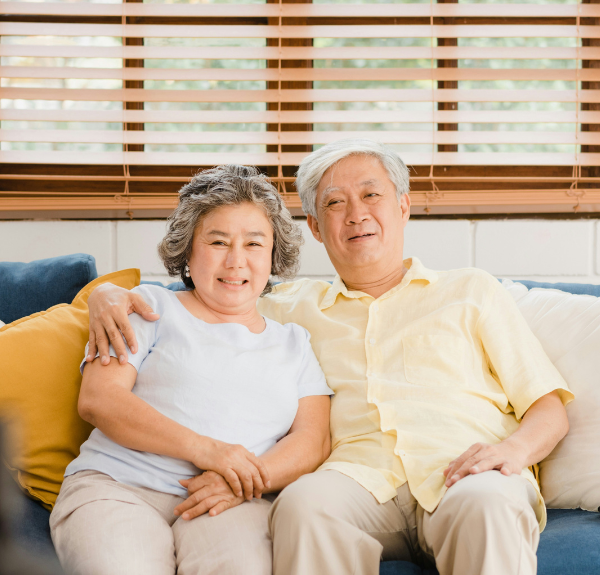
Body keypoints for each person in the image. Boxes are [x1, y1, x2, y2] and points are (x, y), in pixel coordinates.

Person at [87, 140, 573, 575]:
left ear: (404, 206)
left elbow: (547, 407)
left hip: (464, 471)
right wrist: (105, 293)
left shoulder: (471, 290)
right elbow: (204, 293)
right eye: (335, 204)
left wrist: (512, 454)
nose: (356, 214)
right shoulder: (286, 309)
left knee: (488, 504)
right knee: (303, 506)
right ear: (317, 228)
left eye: (371, 195)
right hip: (356, 481)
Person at [50, 164, 333, 575]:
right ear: (188, 249)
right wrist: (210, 451)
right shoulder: (146, 307)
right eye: (218, 241)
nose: (236, 261)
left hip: (228, 499)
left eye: (254, 243)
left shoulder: (294, 343)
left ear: (273, 253)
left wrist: (245, 478)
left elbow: (313, 439)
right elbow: (99, 400)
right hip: (118, 487)